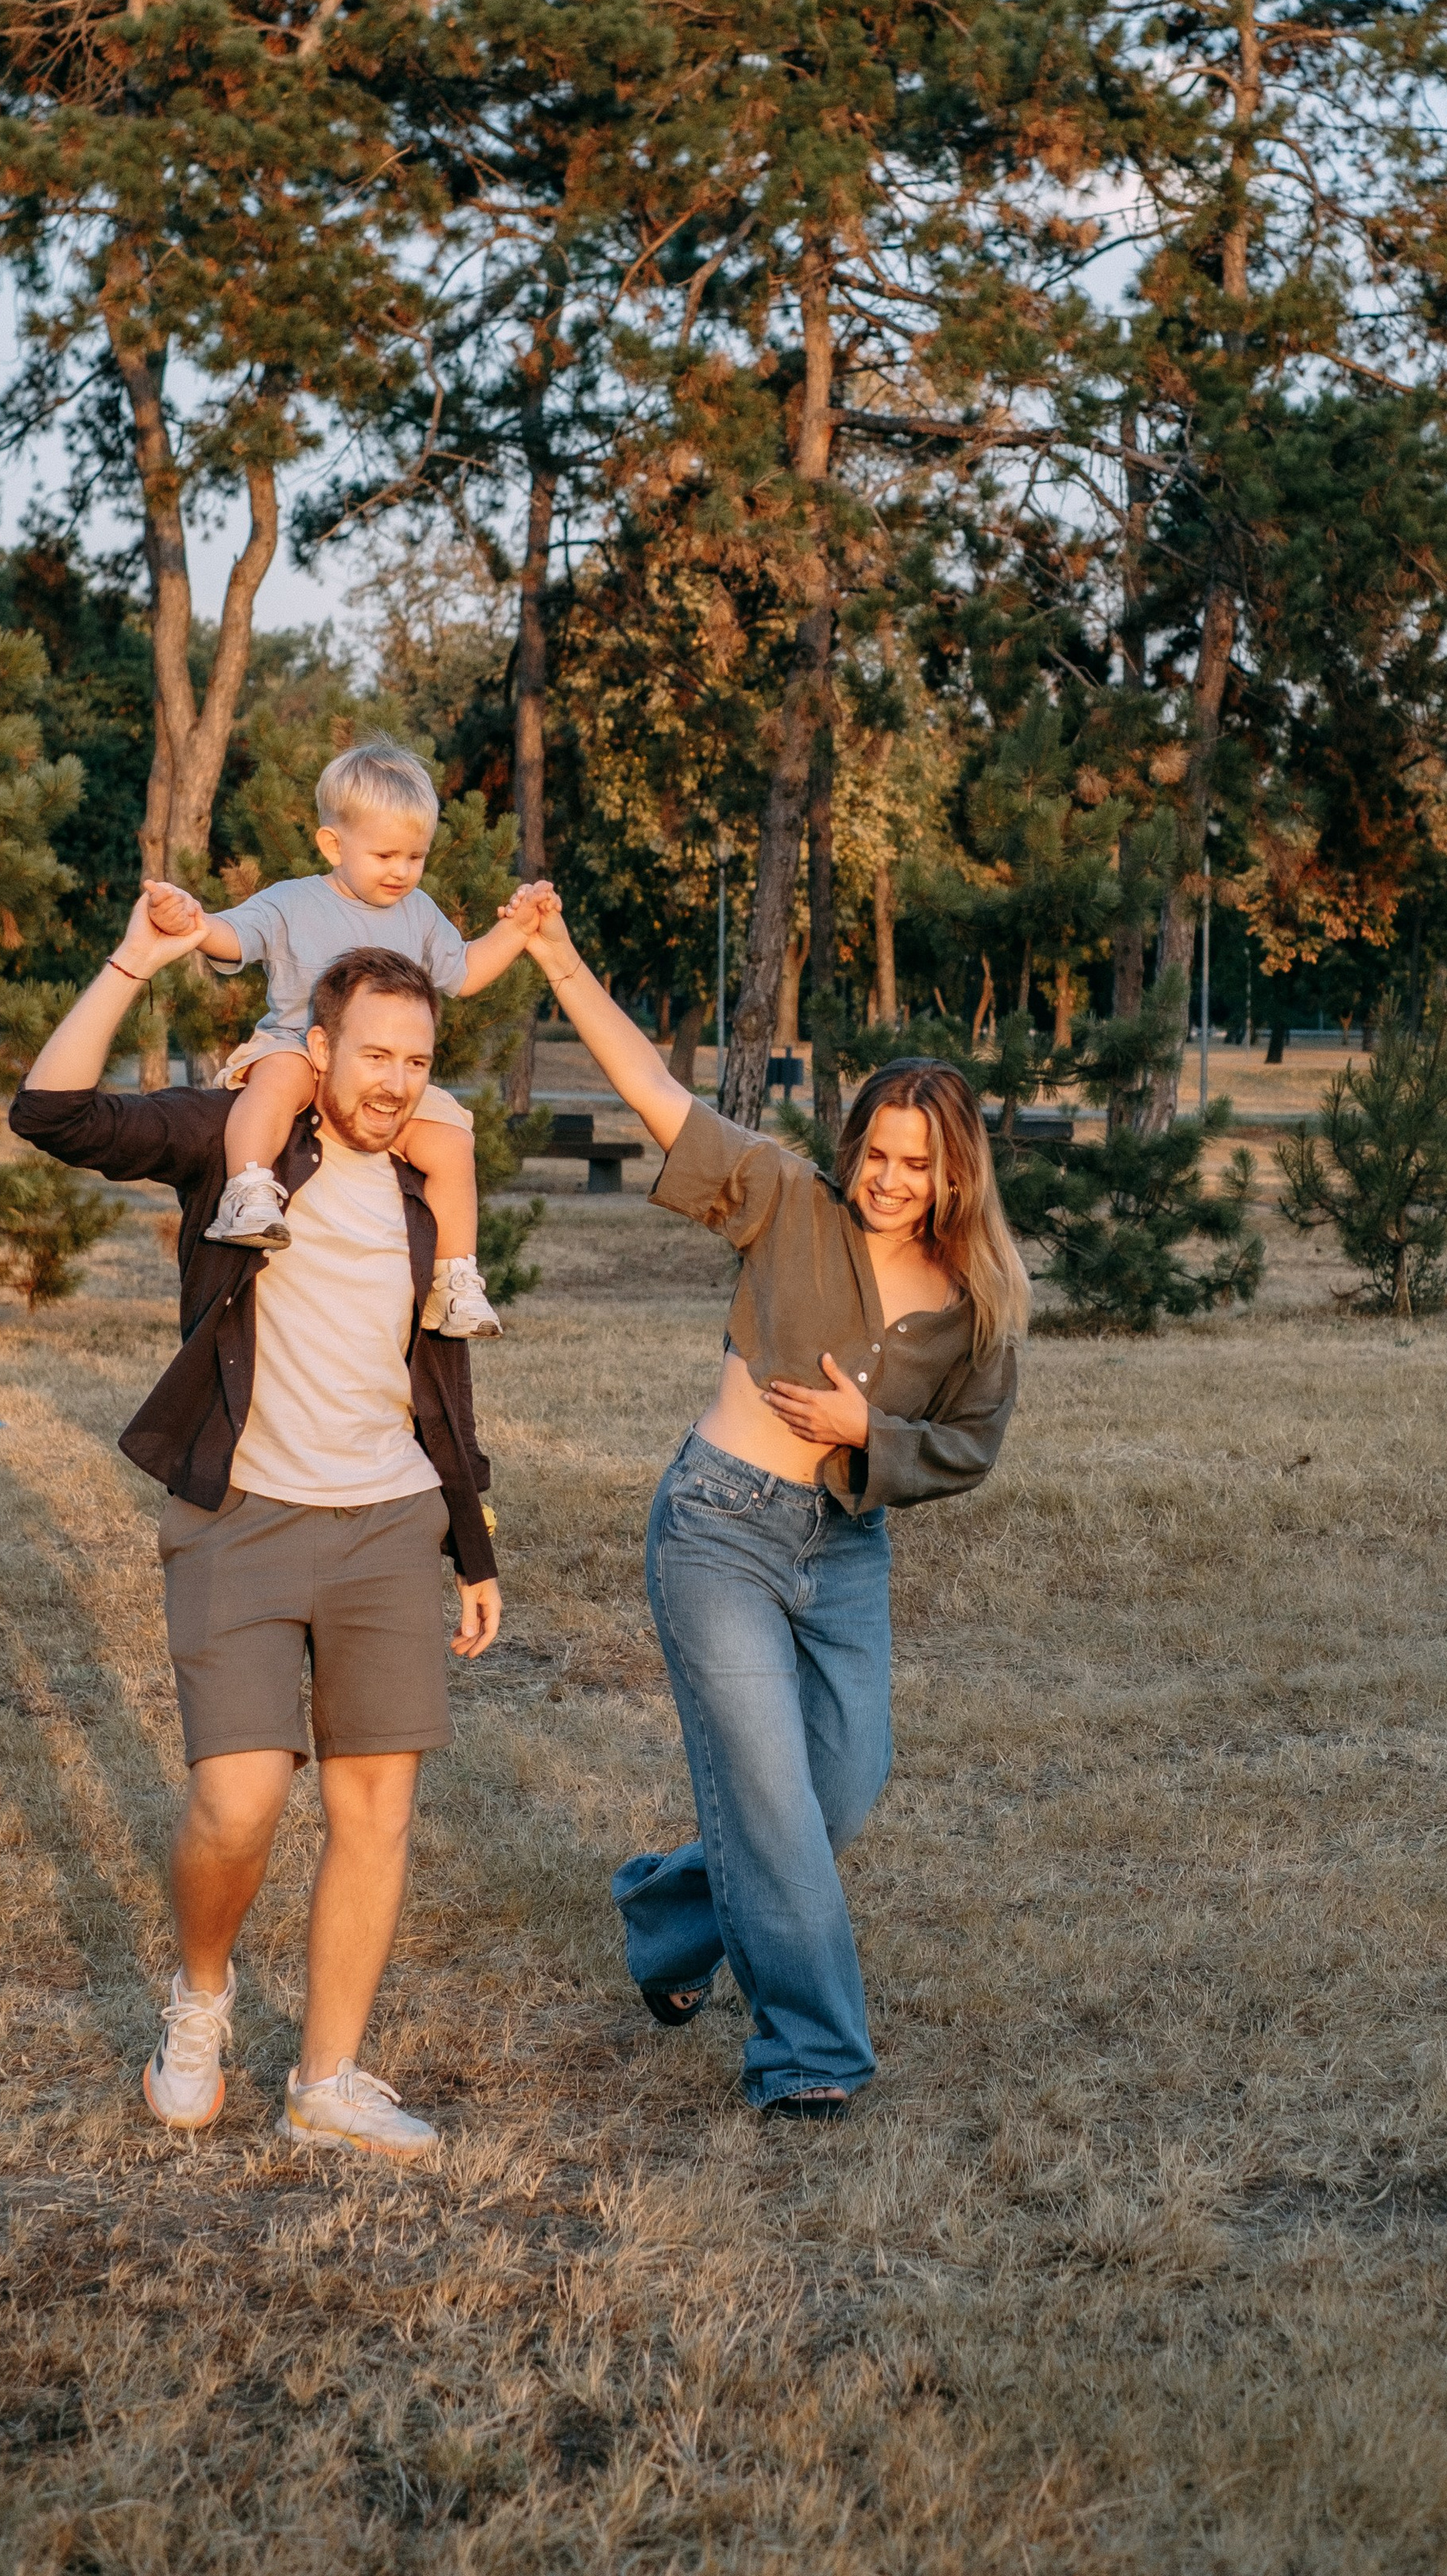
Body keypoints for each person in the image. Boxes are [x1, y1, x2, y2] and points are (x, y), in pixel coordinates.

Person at [509, 880, 1026, 2120]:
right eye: (878, 1155)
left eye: (918, 1164)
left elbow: (969, 1450)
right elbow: (661, 1100)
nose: (890, 1181)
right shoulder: (792, 1202)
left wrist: (871, 1432)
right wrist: (564, 963)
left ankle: (667, 1919)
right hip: (720, 1530)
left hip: (845, 1548)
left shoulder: (983, 1302)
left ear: (956, 1172)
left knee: (836, 1793)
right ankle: (810, 2055)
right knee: (775, 1802)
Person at [11, 905, 502, 2161]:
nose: (395, 1082)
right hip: (239, 1516)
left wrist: (471, 1535)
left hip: (387, 1519)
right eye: (374, 1054)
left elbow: (437, 1372)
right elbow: (52, 1113)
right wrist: (133, 959)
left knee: (375, 1810)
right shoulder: (242, 1136)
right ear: (317, 1048)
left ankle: (325, 2080)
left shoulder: (423, 1175)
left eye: (417, 1060)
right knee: (237, 1805)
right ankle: (203, 1995)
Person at [142, 737, 531, 1338]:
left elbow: (468, 971)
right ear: (333, 844)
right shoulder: (293, 901)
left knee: (453, 1140)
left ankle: (453, 1281)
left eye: (416, 857)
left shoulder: (420, 913)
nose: (402, 871)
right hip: (299, 1046)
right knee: (281, 1077)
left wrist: (520, 930)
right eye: (385, 855)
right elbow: (234, 939)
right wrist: (194, 923)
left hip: (379, 1075)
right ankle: (248, 1191)